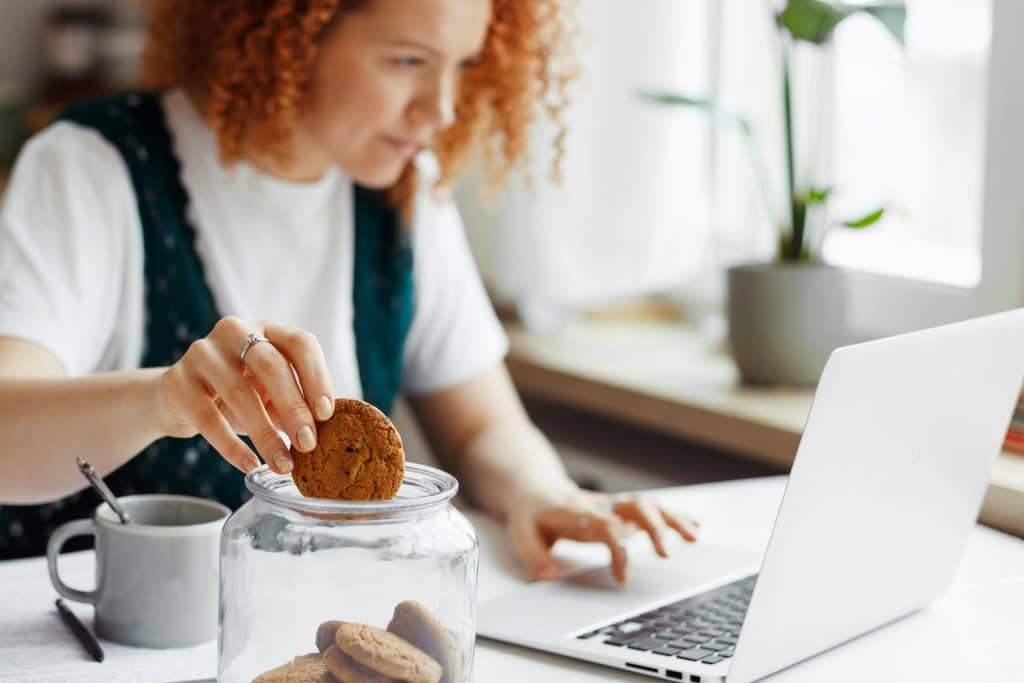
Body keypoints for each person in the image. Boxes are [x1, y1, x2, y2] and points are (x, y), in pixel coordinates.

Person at [0, 0, 697, 580]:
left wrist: (543, 493)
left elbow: (484, 426)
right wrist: (161, 399)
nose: (442, 109)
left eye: (463, 65)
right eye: (407, 62)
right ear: (289, 31)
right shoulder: (90, 166)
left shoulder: (407, 190)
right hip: (95, 656)